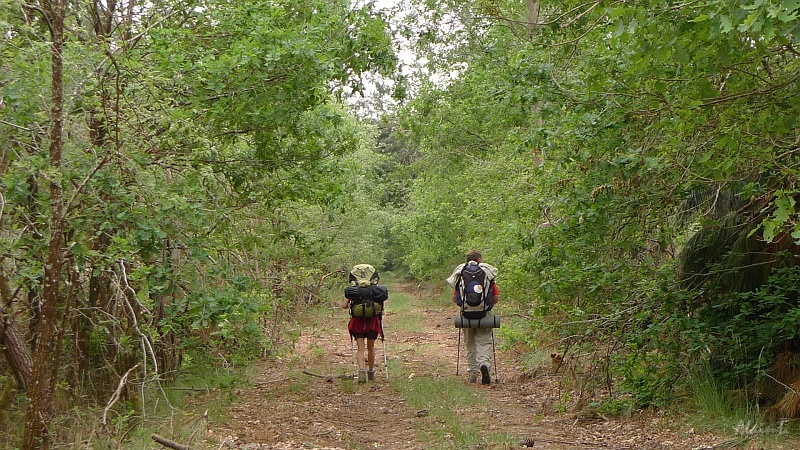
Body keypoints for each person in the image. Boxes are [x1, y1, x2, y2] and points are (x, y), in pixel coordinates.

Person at [451, 250, 499, 385]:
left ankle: (473, 372)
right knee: (483, 342)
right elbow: (495, 298)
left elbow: (456, 299)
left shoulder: (461, 274)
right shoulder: (486, 274)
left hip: (466, 315)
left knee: (470, 343)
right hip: (484, 315)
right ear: (479, 259)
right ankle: (484, 364)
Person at [342, 265, 386, 383]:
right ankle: (371, 372)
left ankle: (361, 371)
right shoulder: (376, 290)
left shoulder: (353, 291)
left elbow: (344, 306)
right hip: (372, 323)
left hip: (357, 322)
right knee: (371, 347)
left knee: (360, 348)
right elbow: (381, 310)